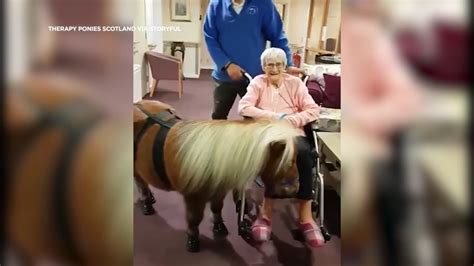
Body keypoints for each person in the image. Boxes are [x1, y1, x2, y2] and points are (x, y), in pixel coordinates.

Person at [238, 47, 325, 248]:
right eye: (270, 64)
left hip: (293, 133)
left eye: (278, 64)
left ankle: (306, 215)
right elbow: (244, 107)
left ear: (284, 66)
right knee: (272, 154)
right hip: (266, 134)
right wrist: (275, 117)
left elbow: (313, 110)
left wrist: (293, 120)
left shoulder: (294, 83)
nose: (274, 68)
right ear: (263, 67)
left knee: (304, 153)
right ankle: (266, 212)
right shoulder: (258, 83)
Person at [203, 0, 302, 120]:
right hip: (223, 75)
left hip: (253, 78)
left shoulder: (264, 4)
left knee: (255, 120)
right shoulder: (216, 4)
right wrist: (226, 64)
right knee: (218, 118)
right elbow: (210, 38)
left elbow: (277, 36)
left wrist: (287, 64)